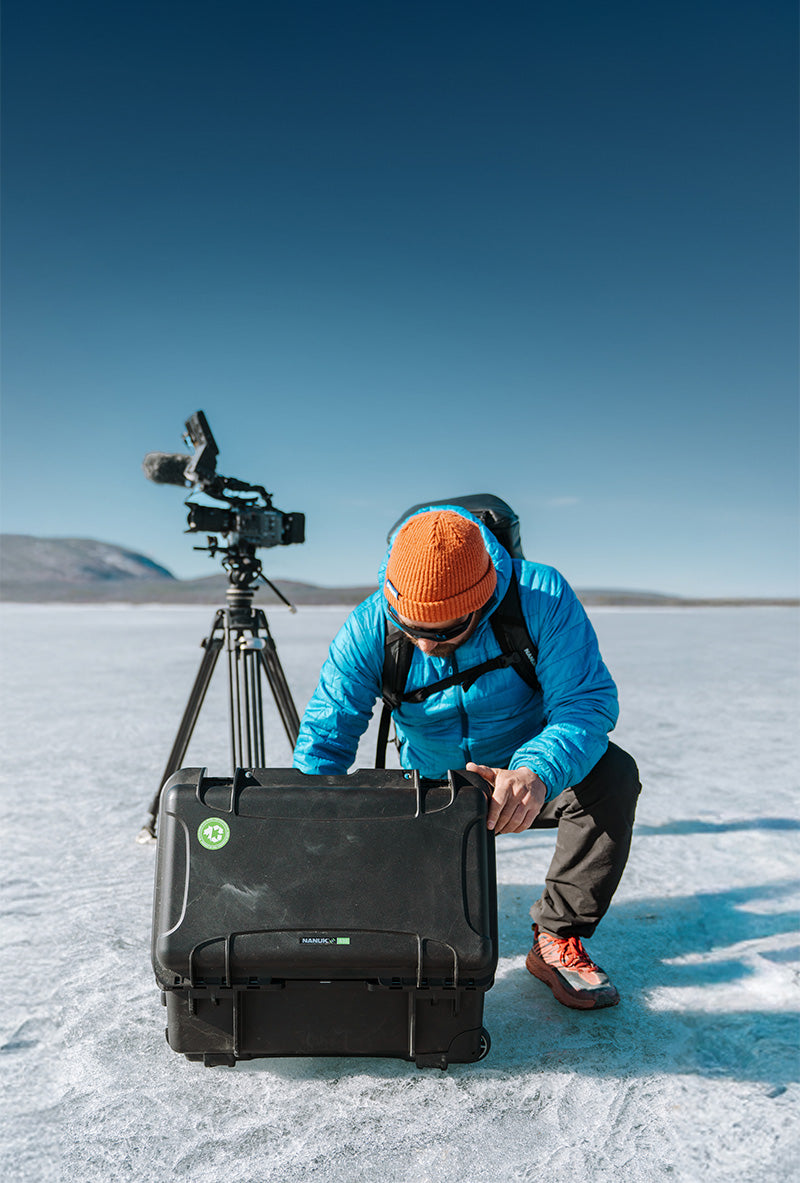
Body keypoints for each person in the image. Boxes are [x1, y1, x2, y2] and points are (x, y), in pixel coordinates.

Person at [293, 504, 641, 1010]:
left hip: (525, 776)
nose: (424, 644)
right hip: (430, 789)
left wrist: (535, 772)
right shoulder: (369, 624)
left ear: (483, 603)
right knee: (425, 931)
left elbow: (583, 704)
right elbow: (326, 736)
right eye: (410, 627)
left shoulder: (540, 598)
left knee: (613, 774)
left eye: (443, 631)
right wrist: (305, 836)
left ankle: (558, 936)